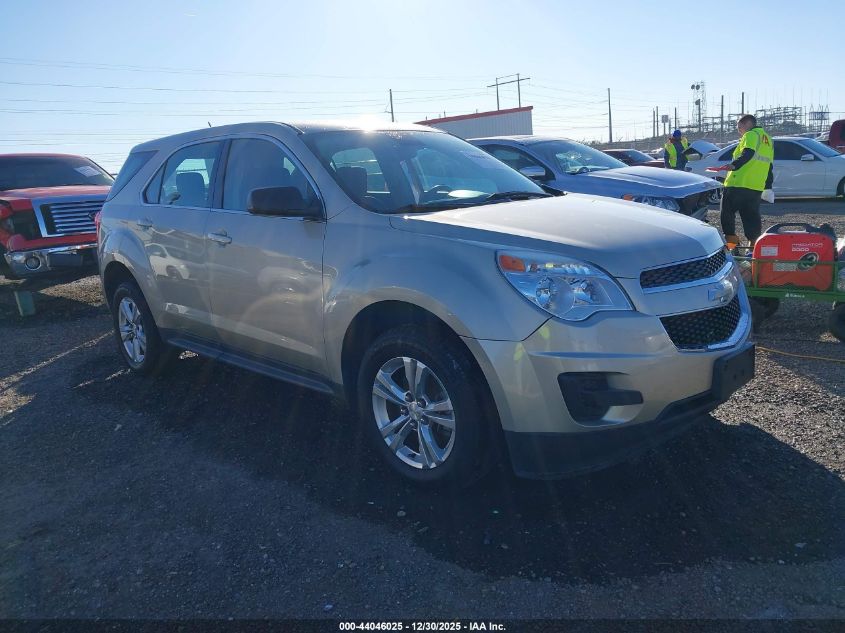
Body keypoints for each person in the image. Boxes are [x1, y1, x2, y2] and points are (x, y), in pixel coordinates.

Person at [720, 114, 774, 247]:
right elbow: (769, 165)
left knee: (726, 215)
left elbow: (748, 153)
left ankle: (733, 247)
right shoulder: (768, 139)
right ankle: (753, 249)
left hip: (738, 183)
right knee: (751, 217)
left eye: (739, 127)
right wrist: (768, 186)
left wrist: (734, 164)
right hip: (755, 187)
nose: (739, 131)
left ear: (747, 124)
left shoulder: (750, 135)